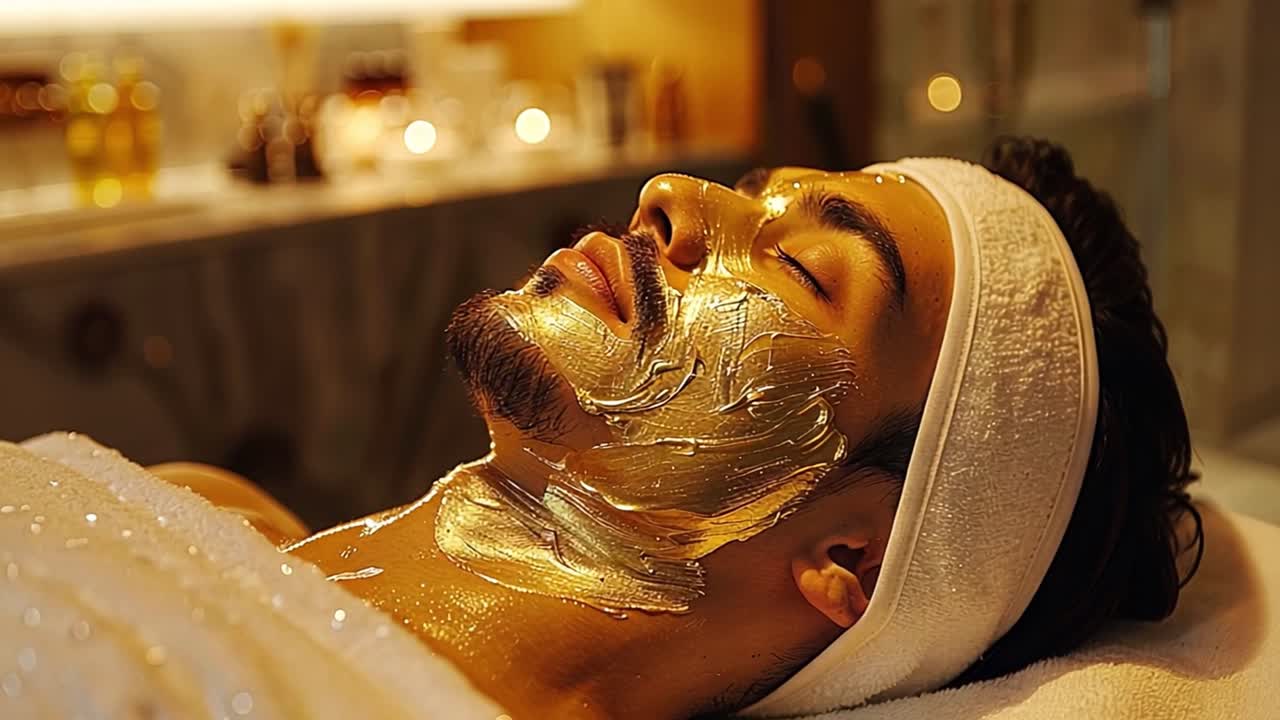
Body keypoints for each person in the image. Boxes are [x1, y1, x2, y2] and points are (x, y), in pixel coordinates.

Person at [1, 137, 1199, 720]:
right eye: (755, 193)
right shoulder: (208, 507)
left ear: (851, 558)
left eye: (796, 262)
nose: (674, 196)